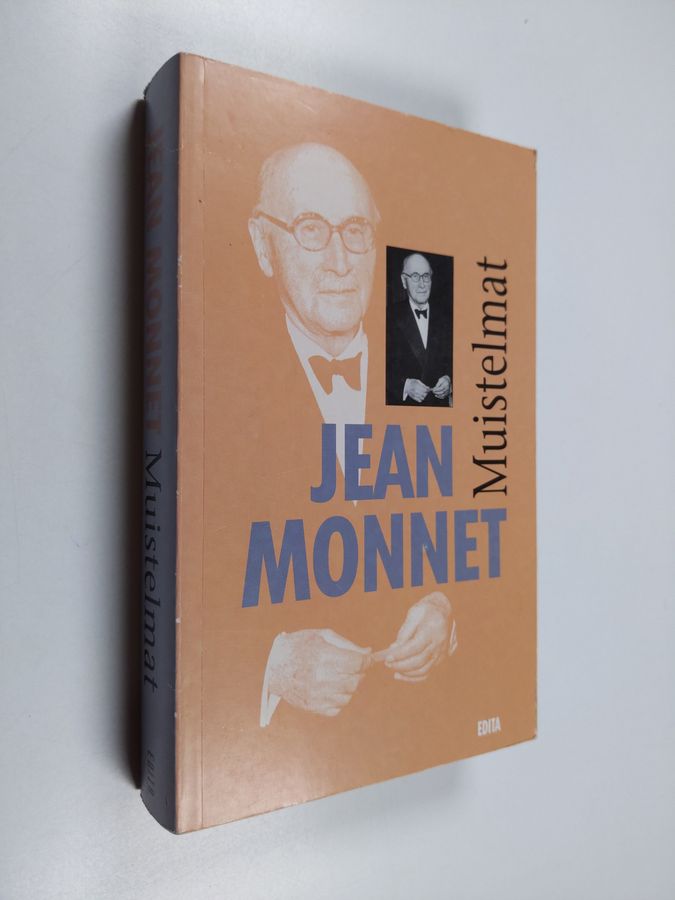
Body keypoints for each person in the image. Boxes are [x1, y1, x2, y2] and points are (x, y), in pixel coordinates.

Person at [246, 143, 457, 726]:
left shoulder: (432, 362)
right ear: (263, 244)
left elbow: (489, 527)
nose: (340, 261)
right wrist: (272, 664)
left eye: (356, 231)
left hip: (425, 729)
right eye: (312, 229)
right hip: (287, 749)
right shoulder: (214, 384)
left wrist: (448, 608)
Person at [386, 252, 452, 406]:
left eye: (426, 276)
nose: (422, 284)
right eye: (415, 276)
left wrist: (449, 380)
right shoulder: (388, 315)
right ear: (404, 281)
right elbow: (375, 368)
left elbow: (457, 361)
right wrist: (406, 386)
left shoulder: (447, 317)